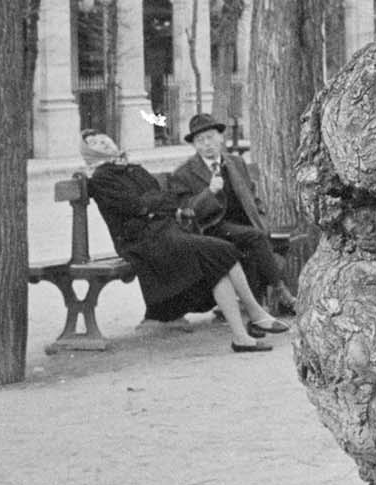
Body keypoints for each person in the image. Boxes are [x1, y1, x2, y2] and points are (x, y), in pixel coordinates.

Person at [79, 131, 288, 352]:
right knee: (221, 251)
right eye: (95, 143)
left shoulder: (133, 169)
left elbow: (166, 199)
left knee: (219, 258)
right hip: (140, 242)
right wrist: (151, 204)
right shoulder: (102, 177)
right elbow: (135, 206)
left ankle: (242, 335)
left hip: (164, 232)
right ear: (90, 153)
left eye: (105, 139)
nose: (103, 143)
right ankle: (255, 314)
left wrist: (150, 204)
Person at [164, 113, 295, 316]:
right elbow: (188, 212)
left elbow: (253, 197)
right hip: (210, 228)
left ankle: (257, 311)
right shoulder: (184, 173)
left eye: (210, 137)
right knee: (254, 238)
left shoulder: (235, 162)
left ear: (220, 138)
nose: (207, 144)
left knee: (261, 240)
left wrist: (263, 219)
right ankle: (279, 290)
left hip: (242, 225)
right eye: (200, 140)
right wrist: (209, 192)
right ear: (195, 146)